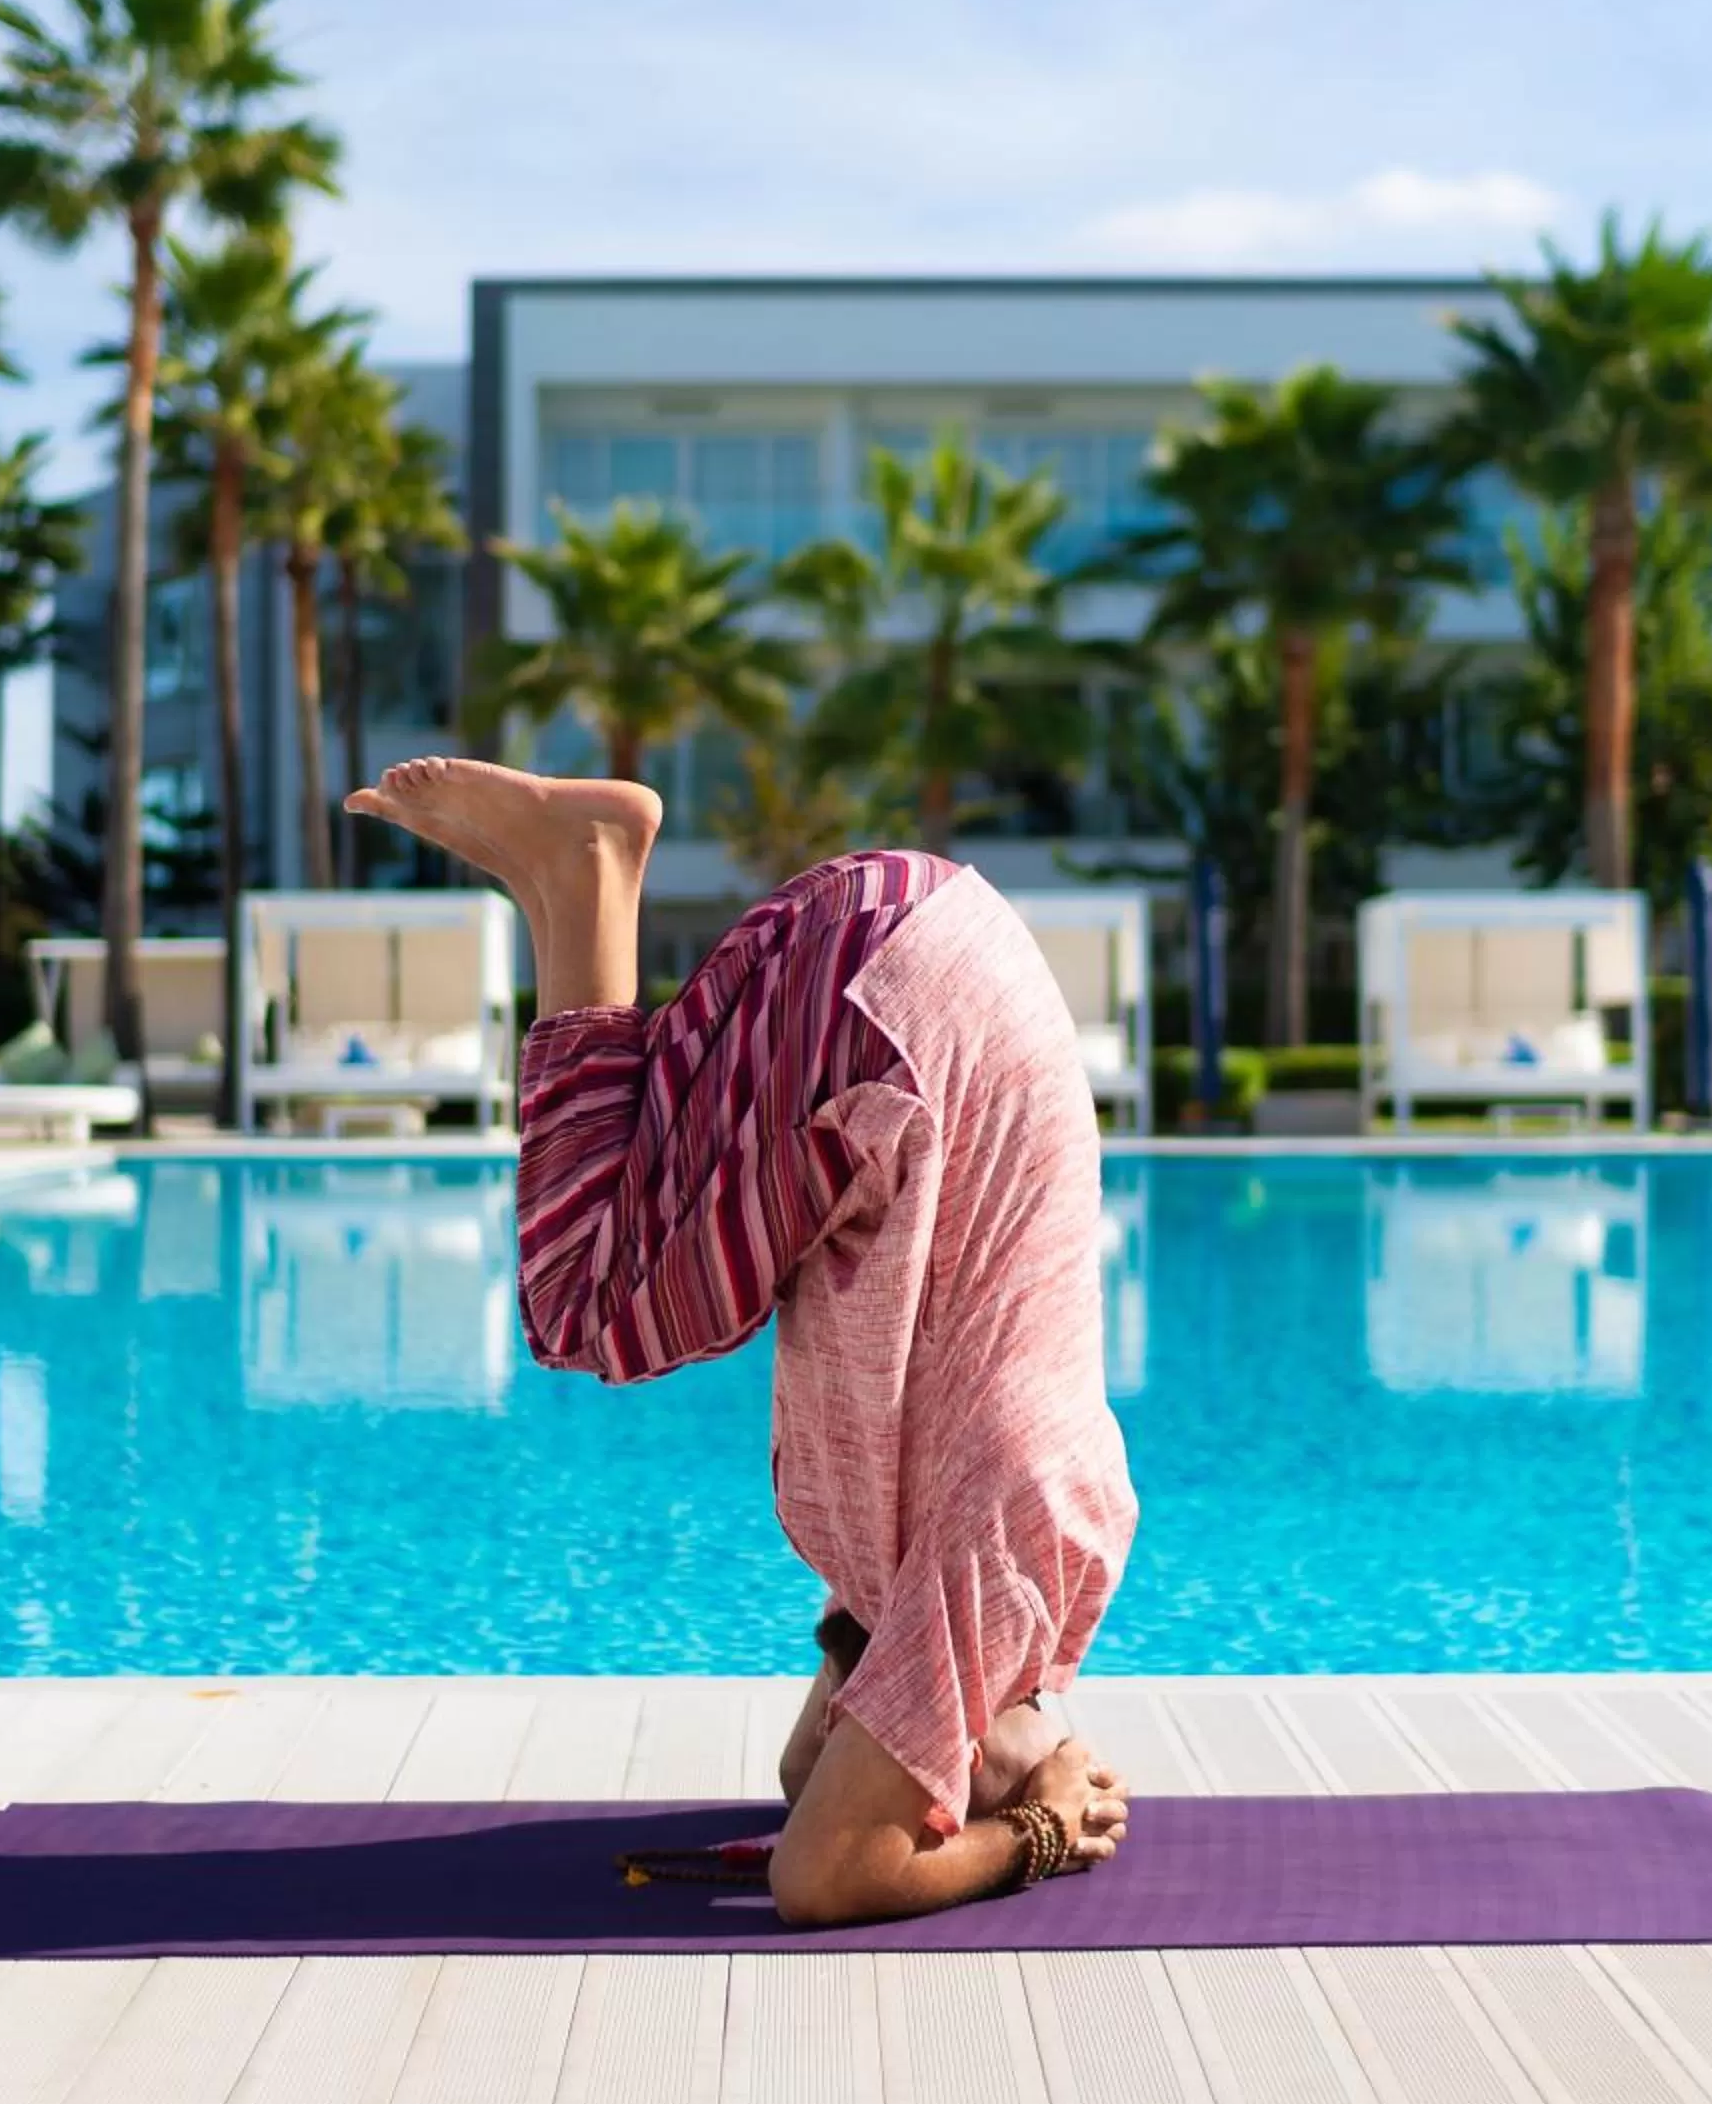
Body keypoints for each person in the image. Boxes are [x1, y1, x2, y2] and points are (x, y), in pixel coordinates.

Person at [345, 756, 1140, 1926]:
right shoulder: (1007, 1550)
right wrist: (1036, 1832)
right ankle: (588, 871)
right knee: (585, 1302)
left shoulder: (979, 1539)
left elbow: (805, 1779)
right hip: (894, 1028)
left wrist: (943, 1758)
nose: (905, 1776)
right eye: (933, 1777)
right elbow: (825, 1873)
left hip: (906, 936)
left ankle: (560, 890)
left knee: (637, 1189)